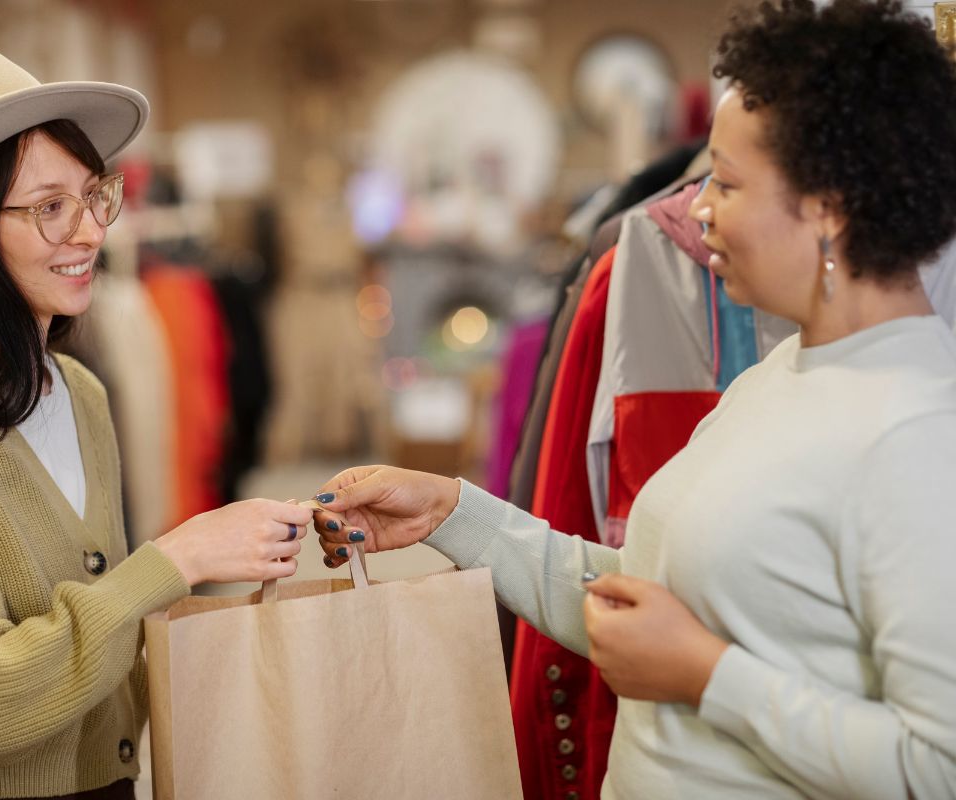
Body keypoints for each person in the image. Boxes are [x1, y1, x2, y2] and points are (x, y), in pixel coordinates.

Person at [312, 2, 956, 797]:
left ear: (828, 206)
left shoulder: (919, 433)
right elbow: (645, 597)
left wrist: (706, 676)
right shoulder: (777, 378)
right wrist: (454, 515)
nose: (697, 209)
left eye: (725, 181)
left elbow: (937, 766)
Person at [0, 50, 314, 799]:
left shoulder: (77, 391)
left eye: (92, 196)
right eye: (49, 207)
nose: (88, 232)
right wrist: (170, 562)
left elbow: (96, 636)